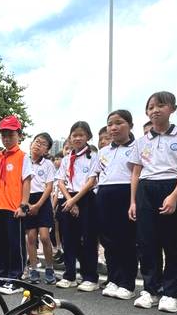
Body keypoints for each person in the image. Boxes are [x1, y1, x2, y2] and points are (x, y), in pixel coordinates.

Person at [128, 91, 177, 313]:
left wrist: (175, 195)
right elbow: (136, 172)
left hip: (171, 186)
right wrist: (133, 202)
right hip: (146, 188)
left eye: (161, 105)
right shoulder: (141, 141)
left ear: (172, 109)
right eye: (151, 107)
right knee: (147, 243)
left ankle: (171, 292)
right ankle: (151, 289)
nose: (155, 110)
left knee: (172, 243)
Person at [0, 115, 32, 295]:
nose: (6, 138)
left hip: (14, 208)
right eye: (3, 134)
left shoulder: (22, 157)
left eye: (10, 134)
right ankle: (3, 274)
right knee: (0, 243)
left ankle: (16, 277)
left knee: (15, 244)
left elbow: (26, 181)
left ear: (18, 135)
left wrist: (23, 205)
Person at [95, 110, 138, 300]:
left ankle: (127, 283)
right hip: (105, 194)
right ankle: (113, 278)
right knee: (108, 239)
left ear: (130, 125)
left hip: (126, 193)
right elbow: (97, 175)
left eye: (119, 123)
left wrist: (133, 201)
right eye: (110, 124)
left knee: (127, 240)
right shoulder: (103, 151)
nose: (113, 127)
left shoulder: (138, 147)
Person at [55, 122, 99, 291]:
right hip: (68, 198)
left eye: (81, 135)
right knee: (68, 238)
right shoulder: (67, 159)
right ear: (70, 137)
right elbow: (60, 181)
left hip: (86, 198)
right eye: (74, 135)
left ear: (88, 136)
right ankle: (70, 275)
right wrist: (69, 200)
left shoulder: (93, 156)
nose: (78, 138)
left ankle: (90, 277)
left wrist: (75, 201)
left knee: (88, 238)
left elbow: (91, 181)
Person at [24, 133, 57, 285]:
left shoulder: (48, 164)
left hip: (42, 201)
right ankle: (33, 269)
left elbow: (49, 187)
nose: (38, 145)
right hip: (27, 199)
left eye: (43, 144)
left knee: (44, 237)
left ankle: (50, 268)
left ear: (47, 150)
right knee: (30, 237)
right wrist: (27, 204)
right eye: (37, 141)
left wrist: (37, 205)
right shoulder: (24, 161)